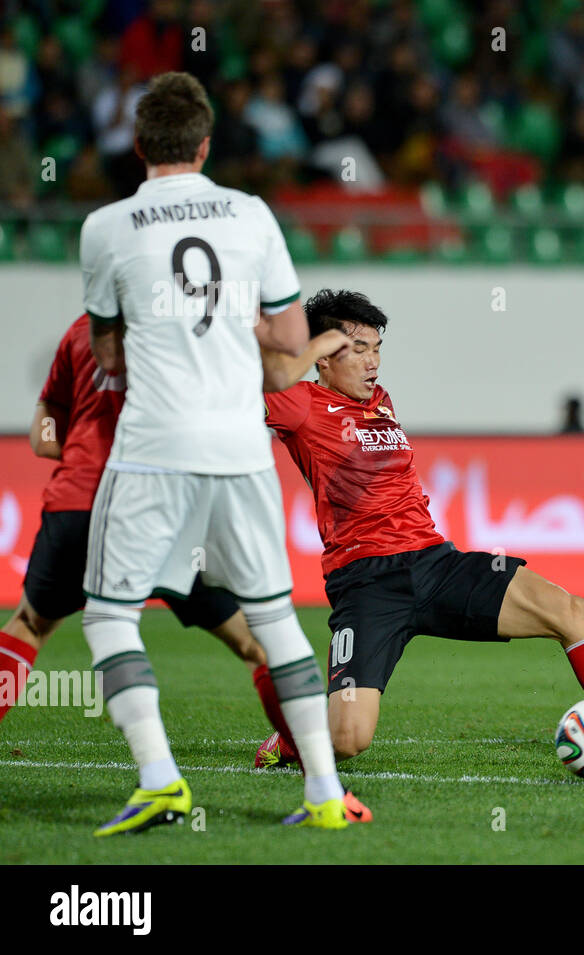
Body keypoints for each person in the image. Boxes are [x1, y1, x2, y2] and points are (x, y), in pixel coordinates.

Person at [254, 288, 584, 776]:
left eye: (377, 348)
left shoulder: (379, 400)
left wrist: (345, 344)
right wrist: (314, 341)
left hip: (435, 563)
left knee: (569, 610)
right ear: (322, 357)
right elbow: (256, 373)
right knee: (347, 741)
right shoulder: (301, 406)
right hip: (368, 582)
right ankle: (294, 739)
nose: (372, 362)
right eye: (357, 350)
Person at [77, 71, 346, 834]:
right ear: (204, 144)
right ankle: (325, 792)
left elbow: (107, 352)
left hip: (155, 446)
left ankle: (161, 777)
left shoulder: (105, 227)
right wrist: (247, 334)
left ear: (138, 146)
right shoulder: (253, 215)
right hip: (241, 447)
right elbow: (291, 344)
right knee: (277, 619)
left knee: (108, 614)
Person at [0, 315, 294, 755]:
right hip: (167, 509)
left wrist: (84, 446)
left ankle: (160, 771)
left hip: (80, 500)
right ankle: (301, 752)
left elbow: (43, 434)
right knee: (255, 641)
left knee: (28, 624)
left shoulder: (80, 332)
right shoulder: (187, 329)